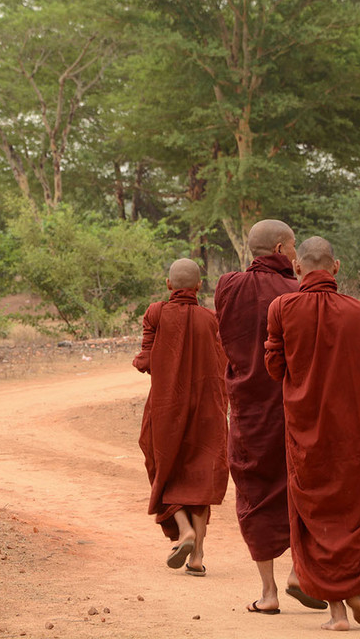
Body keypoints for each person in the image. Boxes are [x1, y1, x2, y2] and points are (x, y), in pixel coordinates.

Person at [264, 236, 360, 631]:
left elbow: (275, 368)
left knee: (315, 515)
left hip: (307, 432)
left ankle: (338, 613)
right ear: (336, 267)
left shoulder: (282, 308)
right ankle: (354, 590)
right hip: (354, 436)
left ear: (297, 268)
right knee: (350, 510)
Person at [214, 219, 326, 615]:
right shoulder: (297, 293)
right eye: (293, 247)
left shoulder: (228, 286)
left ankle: (269, 593)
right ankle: (300, 570)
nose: (296, 255)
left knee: (254, 492)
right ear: (281, 249)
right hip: (291, 409)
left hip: (247, 410)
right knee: (298, 487)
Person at [133, 257, 230, 576]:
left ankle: (184, 530)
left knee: (164, 467)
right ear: (200, 286)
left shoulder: (156, 313)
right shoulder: (212, 320)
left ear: (169, 285)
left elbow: (145, 360)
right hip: (206, 411)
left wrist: (150, 358)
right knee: (200, 477)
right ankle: (198, 556)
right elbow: (223, 366)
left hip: (166, 409)